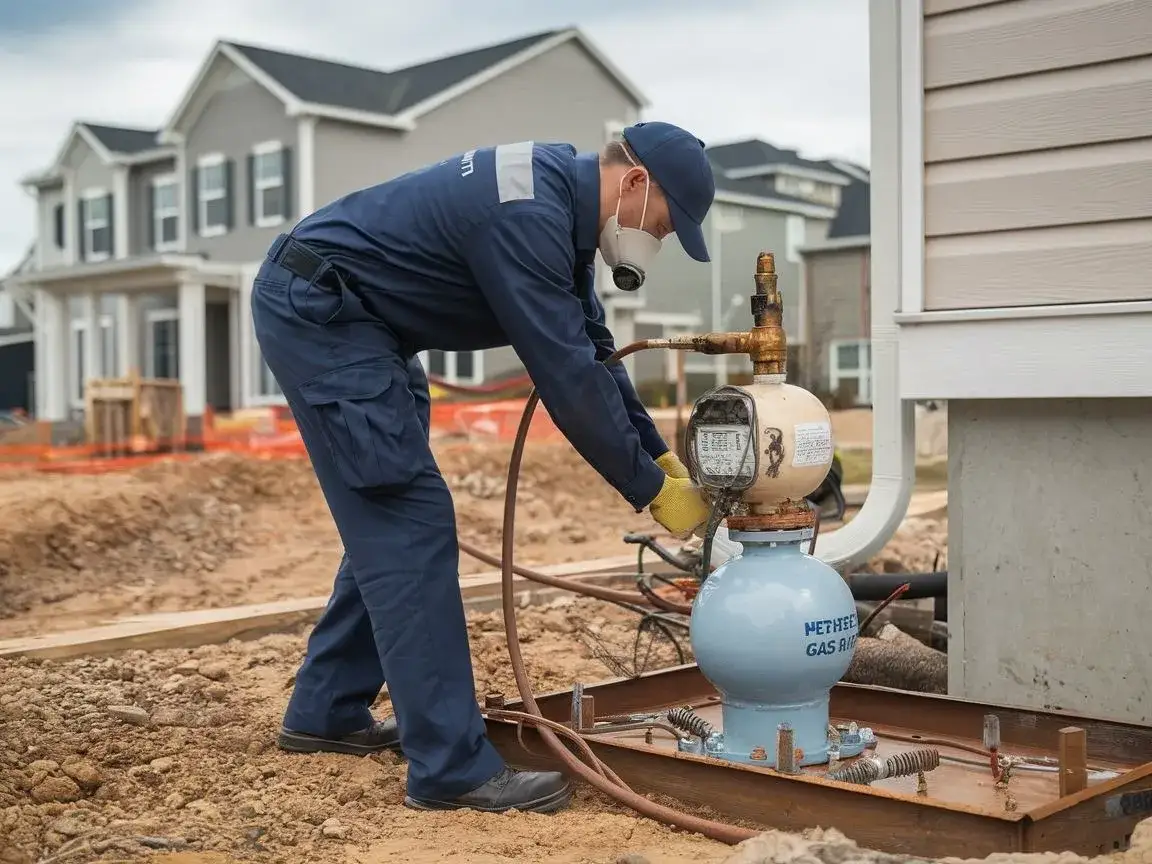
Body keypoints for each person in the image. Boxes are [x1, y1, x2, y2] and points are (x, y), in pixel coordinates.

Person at [251, 121, 716, 814]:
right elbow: (564, 375)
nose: (661, 239)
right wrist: (649, 491)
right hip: (326, 316)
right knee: (407, 521)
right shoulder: (528, 217)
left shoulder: (556, 204)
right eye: (666, 224)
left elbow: (592, 349)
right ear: (635, 182)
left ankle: (326, 710)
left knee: (391, 518)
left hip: (365, 323)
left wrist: (658, 456)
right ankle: (449, 769)